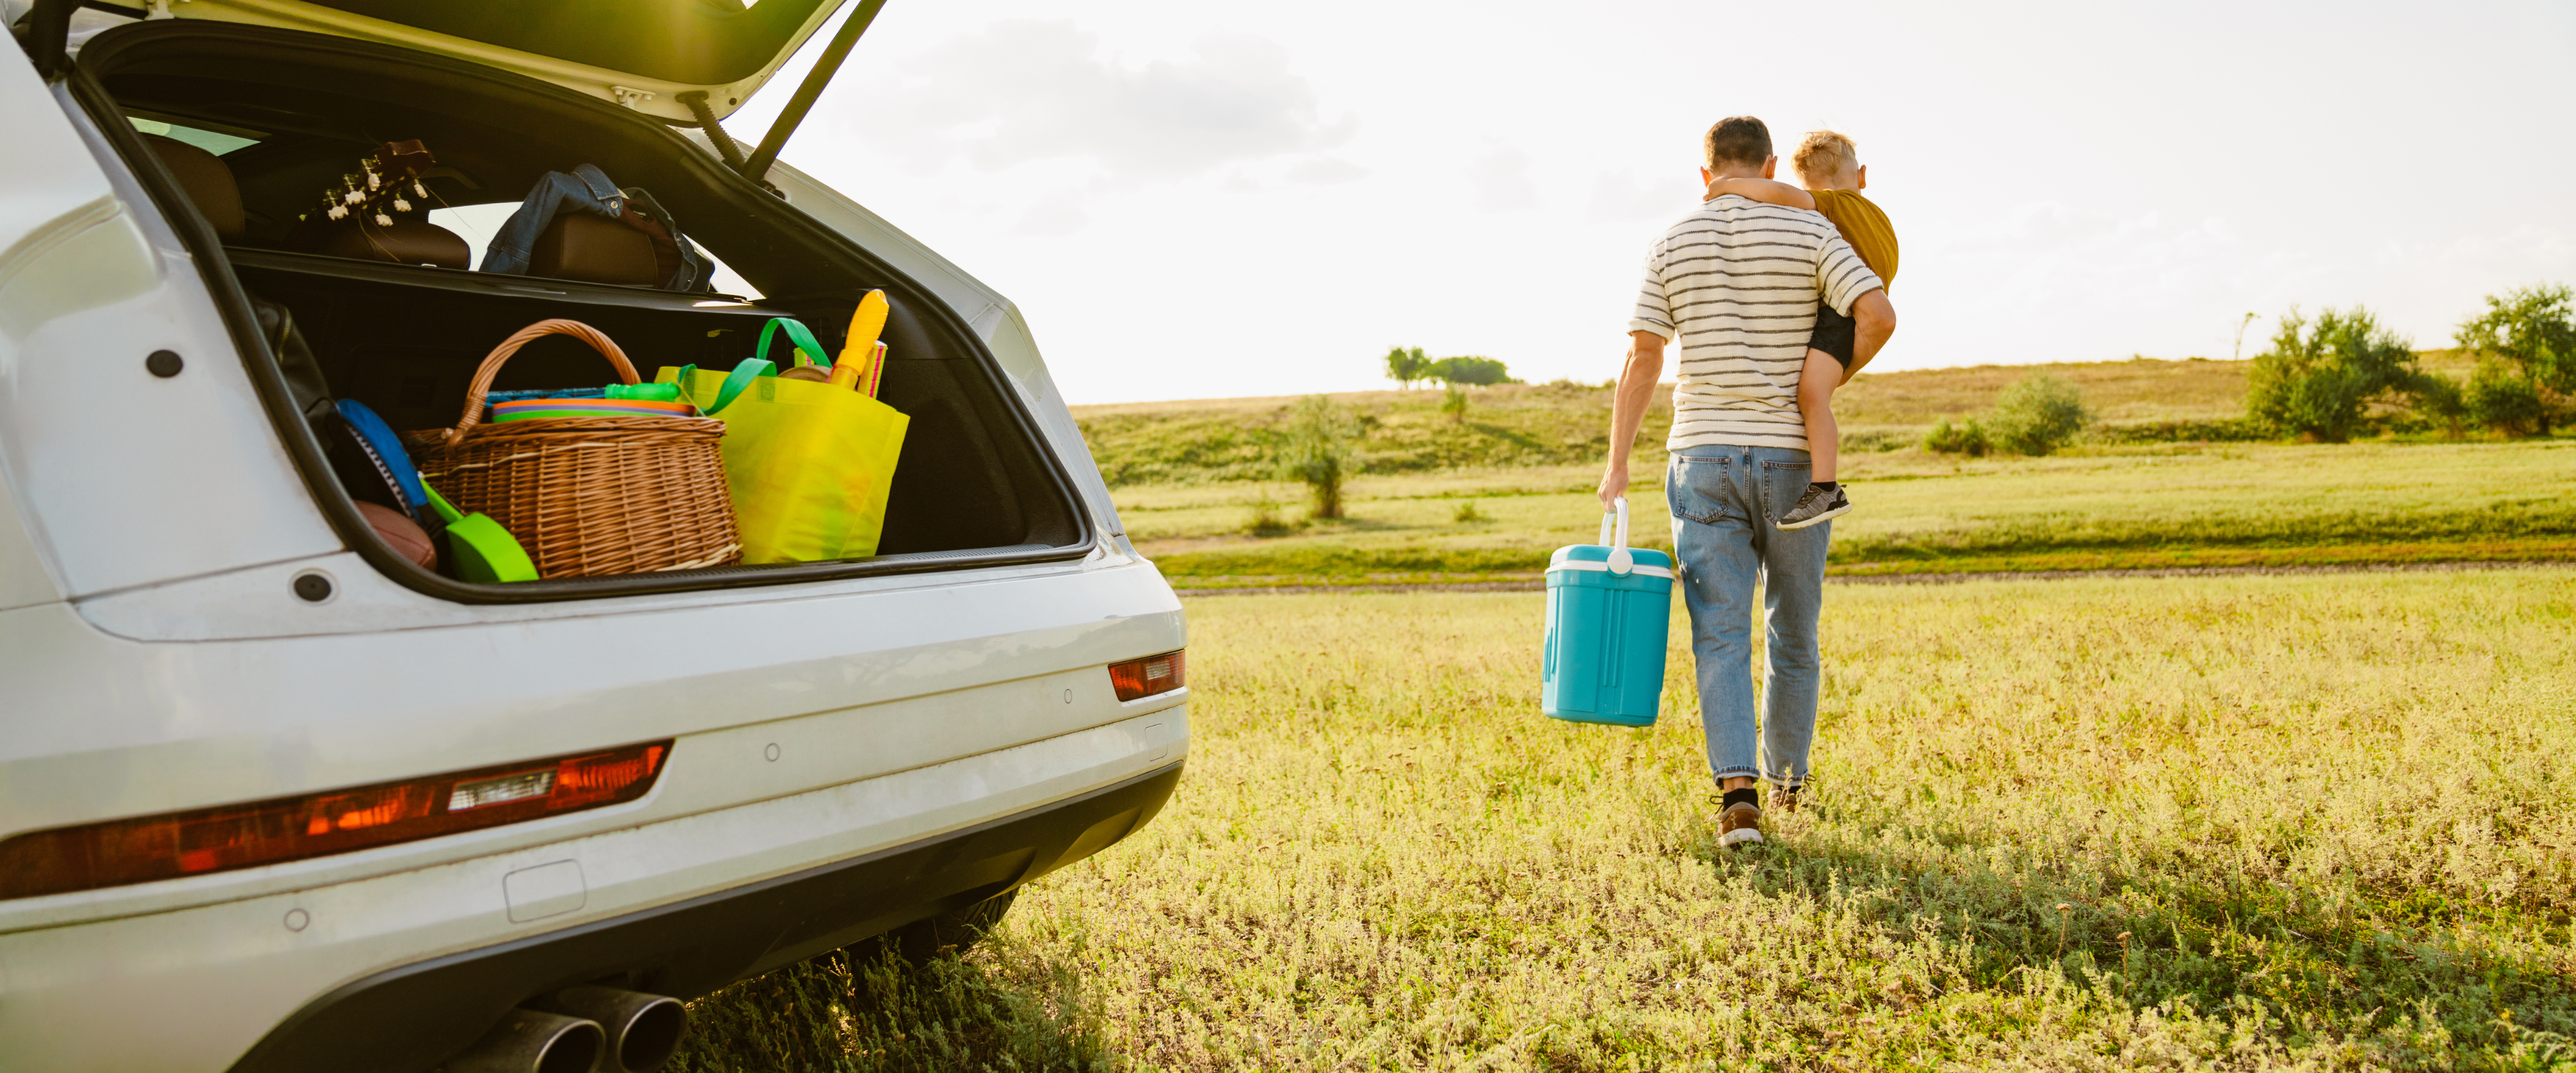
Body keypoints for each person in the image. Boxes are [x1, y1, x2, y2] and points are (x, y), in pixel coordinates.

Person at [1600, 116, 1896, 848]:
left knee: (1720, 634)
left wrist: (1616, 463)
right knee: (1792, 632)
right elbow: (1877, 312)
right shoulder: (1814, 233)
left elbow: (1643, 357)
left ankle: (1739, 797)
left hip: (1700, 458)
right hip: (1793, 459)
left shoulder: (1673, 239)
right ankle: (1789, 786)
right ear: (1770, 166)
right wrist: (1818, 386)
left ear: (1706, 174)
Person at [1701, 130, 1900, 528]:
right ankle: (1825, 484)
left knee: (1811, 396)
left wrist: (1729, 186)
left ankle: (1826, 487)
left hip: (1840, 308)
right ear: (1861, 175)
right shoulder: (1875, 212)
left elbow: (1789, 199)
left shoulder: (1831, 204)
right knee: (1819, 392)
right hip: (1862, 301)